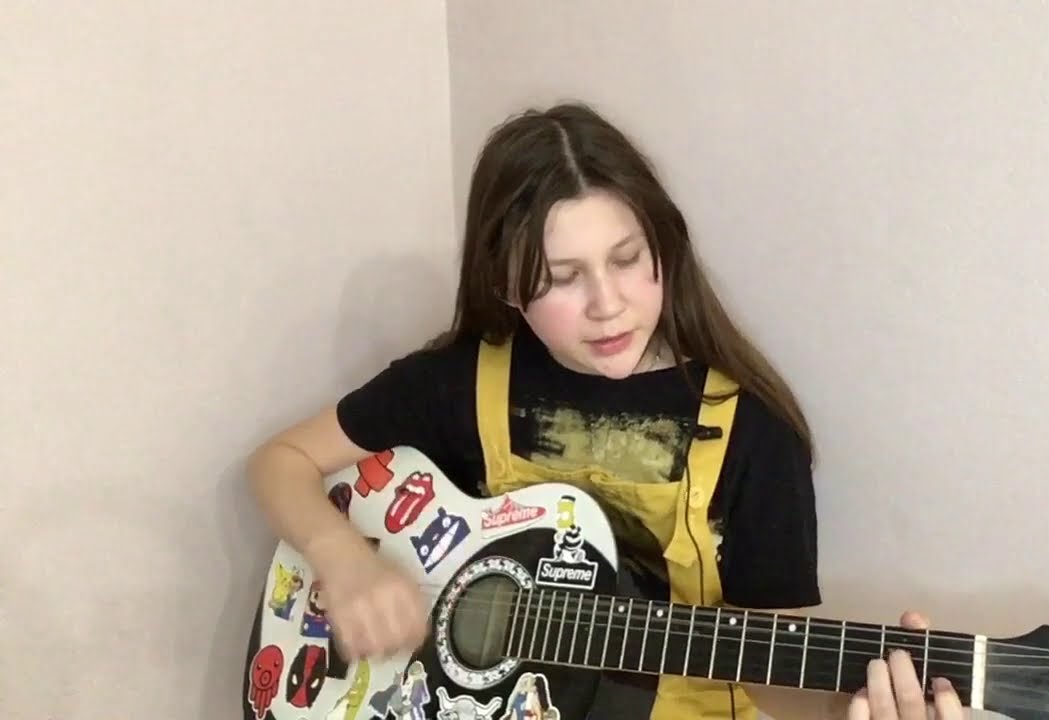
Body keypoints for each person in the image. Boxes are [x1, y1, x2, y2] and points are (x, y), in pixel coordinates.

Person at [246, 101, 964, 720]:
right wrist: (343, 559)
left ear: (664, 248)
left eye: (626, 259)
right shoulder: (458, 384)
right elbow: (282, 462)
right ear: (506, 284)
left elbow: (772, 675)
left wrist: (851, 706)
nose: (607, 303)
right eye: (563, 277)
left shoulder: (752, 432)